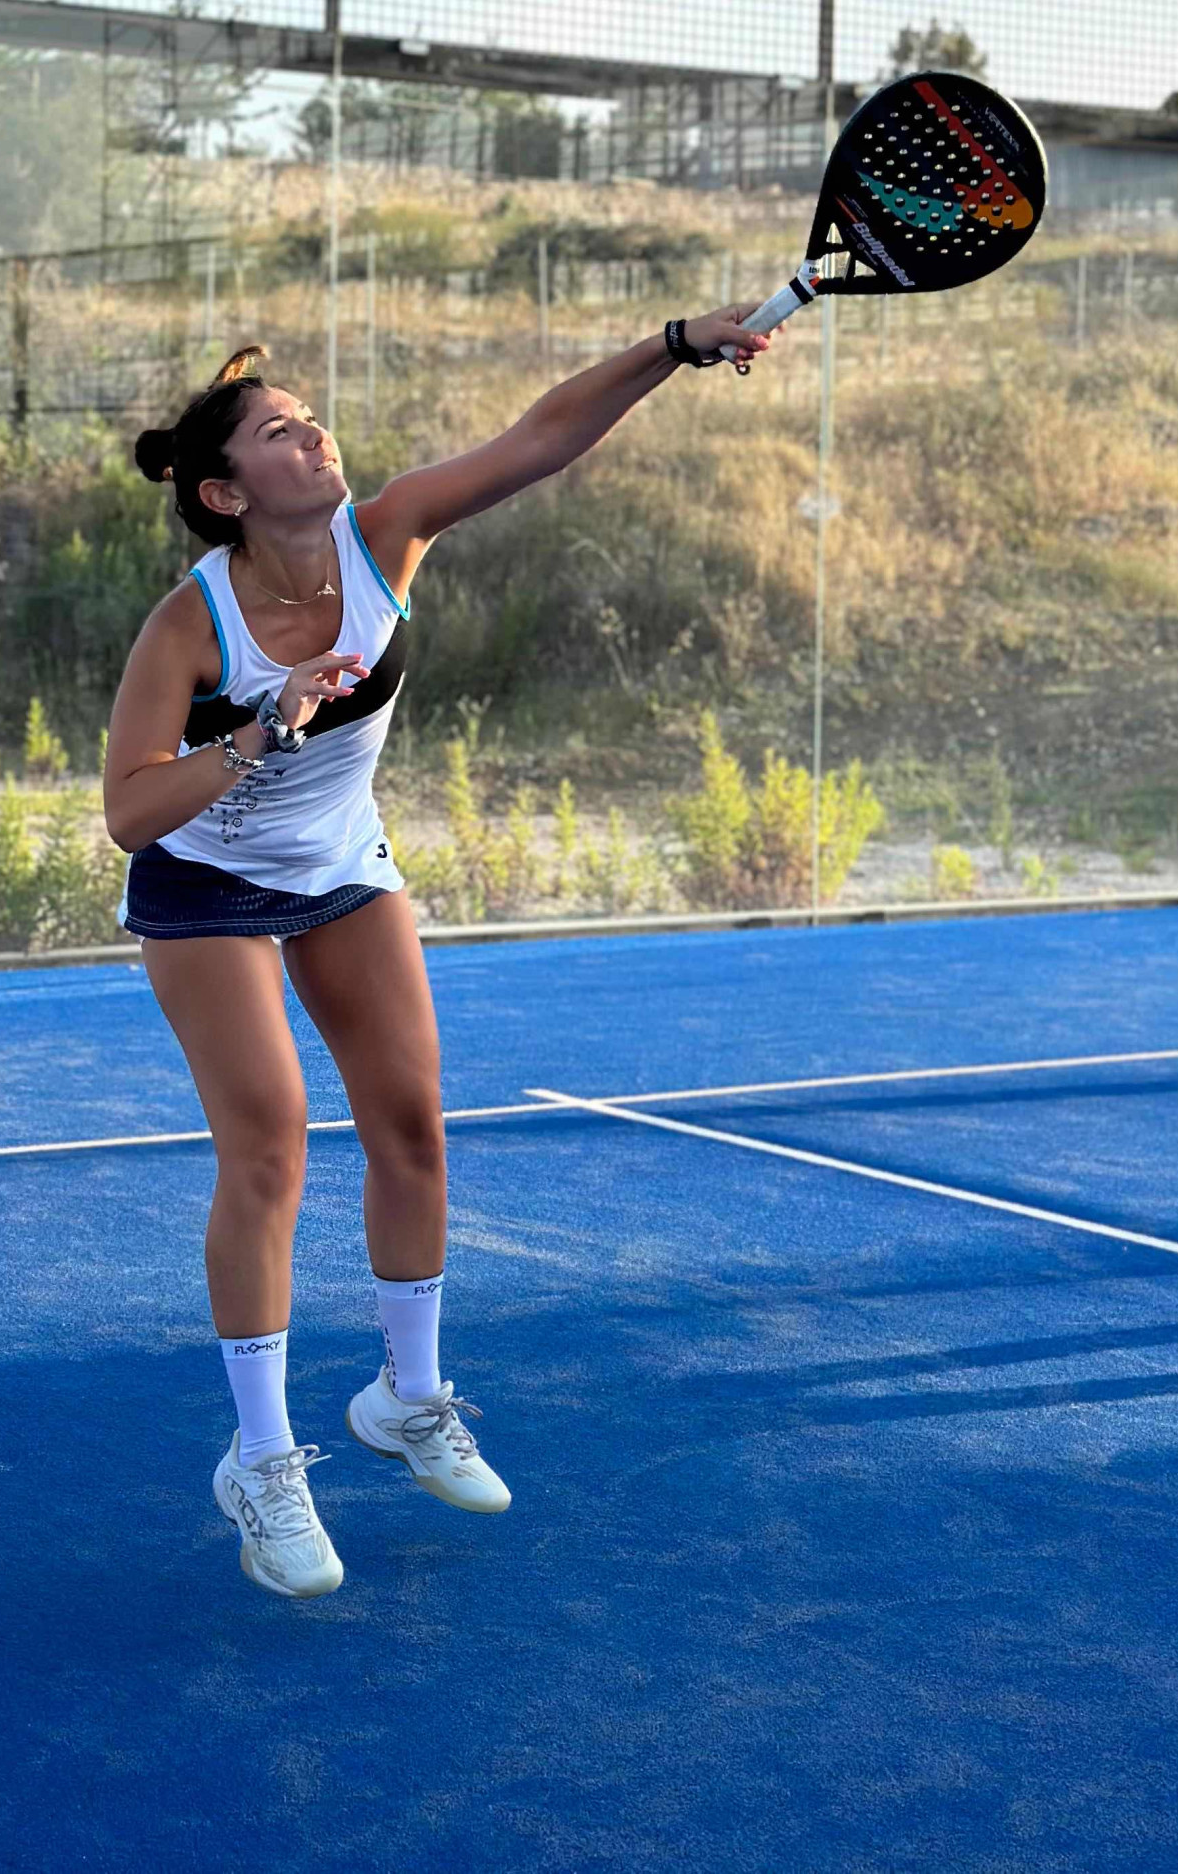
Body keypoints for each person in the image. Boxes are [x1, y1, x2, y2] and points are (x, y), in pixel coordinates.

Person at [105, 302, 771, 1600]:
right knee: (270, 1147)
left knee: (413, 1126)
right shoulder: (189, 625)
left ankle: (407, 1398)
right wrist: (259, 732)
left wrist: (678, 344)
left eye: (311, 419)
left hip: (342, 867)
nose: (316, 436)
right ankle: (261, 1461)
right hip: (205, 880)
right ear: (225, 492)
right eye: (281, 433)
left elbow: (541, 438)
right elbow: (130, 811)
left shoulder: (386, 532)